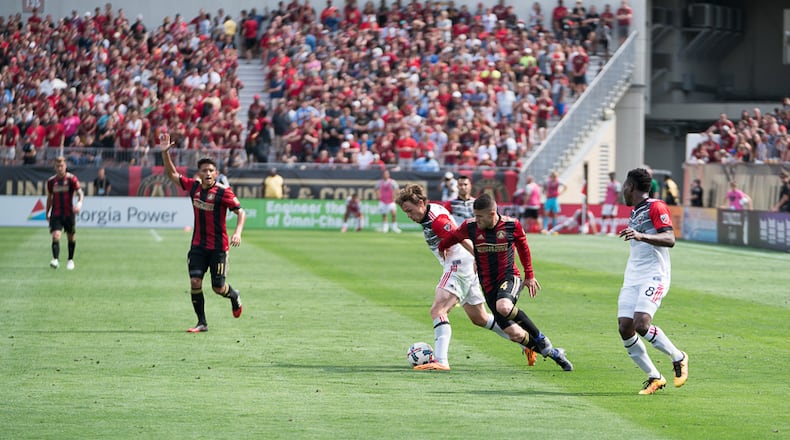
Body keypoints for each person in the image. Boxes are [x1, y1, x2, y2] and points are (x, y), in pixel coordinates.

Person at [396, 185, 537, 370]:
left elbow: (460, 237)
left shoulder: (438, 220)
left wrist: (478, 257)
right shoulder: (431, 214)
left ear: (421, 203)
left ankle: (441, 361)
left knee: (438, 310)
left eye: (409, 210)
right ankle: (526, 343)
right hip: (462, 265)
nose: (408, 215)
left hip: (458, 265)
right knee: (479, 318)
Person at [438, 194, 574, 371]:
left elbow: (523, 247)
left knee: (504, 307)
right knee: (515, 334)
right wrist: (443, 247)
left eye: (480, 216)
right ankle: (554, 354)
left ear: (492, 213)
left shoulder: (511, 225)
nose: (476, 219)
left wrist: (529, 275)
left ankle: (540, 338)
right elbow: (452, 237)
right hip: (488, 284)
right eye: (475, 215)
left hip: (509, 277)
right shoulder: (470, 227)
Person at [160, 133, 246, 333]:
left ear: (216, 173)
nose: (207, 173)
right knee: (195, 281)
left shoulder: (224, 192)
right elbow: (171, 174)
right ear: (199, 173)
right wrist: (165, 153)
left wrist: (238, 233)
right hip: (198, 246)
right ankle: (202, 323)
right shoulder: (194, 187)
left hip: (218, 248)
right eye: (204, 170)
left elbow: (241, 212)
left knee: (218, 288)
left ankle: (233, 295)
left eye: (211, 170)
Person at [617, 168, 688, 395]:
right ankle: (654, 376)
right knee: (625, 328)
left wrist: (640, 235)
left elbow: (669, 238)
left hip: (654, 274)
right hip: (632, 276)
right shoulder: (636, 211)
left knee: (641, 324)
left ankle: (678, 356)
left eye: (624, 187)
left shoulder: (656, 206)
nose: (622, 192)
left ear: (630, 187)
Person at [46, 156, 84, 270]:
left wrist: (79, 204)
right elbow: (49, 198)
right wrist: (47, 212)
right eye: (58, 166)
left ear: (65, 166)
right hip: (56, 213)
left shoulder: (72, 179)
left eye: (61, 166)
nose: (60, 168)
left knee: (71, 237)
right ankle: (55, 259)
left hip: (68, 213)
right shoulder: (51, 181)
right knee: (56, 235)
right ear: (55, 167)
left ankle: (70, 260)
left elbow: (80, 193)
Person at [375, 169, 401, 233]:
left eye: (387, 174)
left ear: (388, 175)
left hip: (391, 201)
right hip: (383, 201)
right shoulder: (379, 182)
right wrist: (378, 195)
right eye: (384, 174)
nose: (385, 175)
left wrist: (395, 197)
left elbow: (397, 189)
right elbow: (376, 189)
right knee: (384, 215)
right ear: (383, 175)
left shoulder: (392, 182)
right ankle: (385, 228)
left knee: (393, 214)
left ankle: (394, 228)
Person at [600, 171, 621, 236]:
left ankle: (613, 231)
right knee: (604, 216)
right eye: (610, 176)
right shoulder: (608, 183)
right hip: (607, 203)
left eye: (612, 176)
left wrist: (614, 203)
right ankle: (603, 231)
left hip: (613, 203)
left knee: (612, 216)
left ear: (614, 176)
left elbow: (618, 195)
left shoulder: (617, 184)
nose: (611, 177)